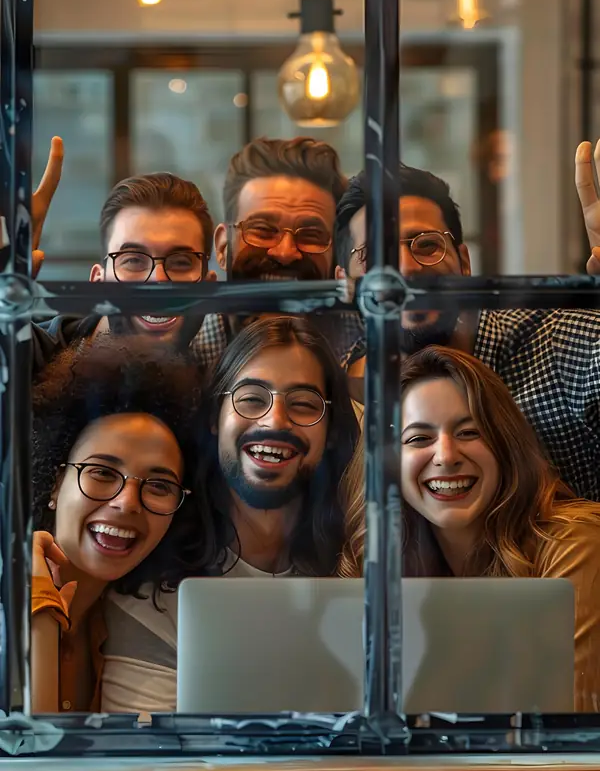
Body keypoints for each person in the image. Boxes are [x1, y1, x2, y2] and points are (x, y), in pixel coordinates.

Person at [101, 315, 361, 712]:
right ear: (213, 418)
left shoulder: (362, 569)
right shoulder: (156, 588)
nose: (274, 421)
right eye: (251, 398)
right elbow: (141, 765)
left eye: (304, 404)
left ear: (331, 436)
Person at [334, 163, 600, 500]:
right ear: (345, 284)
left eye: (427, 245)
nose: (406, 267)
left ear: (464, 262)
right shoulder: (336, 392)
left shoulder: (555, 346)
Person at [398, 346, 600, 712]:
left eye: (469, 431)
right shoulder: (393, 558)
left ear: (505, 444)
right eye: (419, 439)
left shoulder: (577, 542)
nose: (445, 455)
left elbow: (560, 728)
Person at [31, 339, 215, 714]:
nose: (127, 502)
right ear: (55, 484)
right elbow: (26, 761)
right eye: (101, 472)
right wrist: (38, 612)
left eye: (160, 485)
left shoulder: (122, 625)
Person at [193, 136, 360, 368]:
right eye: (262, 230)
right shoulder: (187, 355)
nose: (285, 252)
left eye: (311, 235)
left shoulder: (369, 349)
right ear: (222, 248)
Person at [33, 171, 216, 372]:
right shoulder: (27, 359)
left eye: (181, 263)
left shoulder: (222, 380)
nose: (159, 282)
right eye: (133, 260)